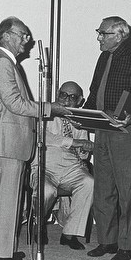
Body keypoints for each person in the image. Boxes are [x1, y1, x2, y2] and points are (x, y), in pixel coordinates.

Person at [0, 16, 71, 260]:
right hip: (8, 142)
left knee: (10, 199)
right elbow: (14, 103)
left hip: (13, 142)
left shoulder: (7, 63)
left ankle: (3, 249)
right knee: (5, 198)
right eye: (22, 35)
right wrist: (50, 108)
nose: (27, 40)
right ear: (6, 36)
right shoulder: (1, 63)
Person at [83, 16, 131, 260]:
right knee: (103, 188)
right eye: (99, 32)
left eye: (103, 33)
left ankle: (127, 246)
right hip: (103, 129)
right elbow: (95, 94)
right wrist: (81, 114)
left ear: (119, 35)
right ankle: (108, 241)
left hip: (126, 130)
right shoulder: (104, 57)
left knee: (126, 190)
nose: (99, 37)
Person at [30, 81, 93, 250]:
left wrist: (84, 150)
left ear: (80, 101)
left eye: (72, 97)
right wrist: (75, 142)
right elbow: (45, 137)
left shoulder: (80, 119)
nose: (66, 100)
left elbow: (83, 151)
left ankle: (69, 234)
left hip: (70, 168)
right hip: (45, 166)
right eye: (63, 95)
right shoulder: (45, 112)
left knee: (89, 182)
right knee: (47, 190)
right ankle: (38, 222)